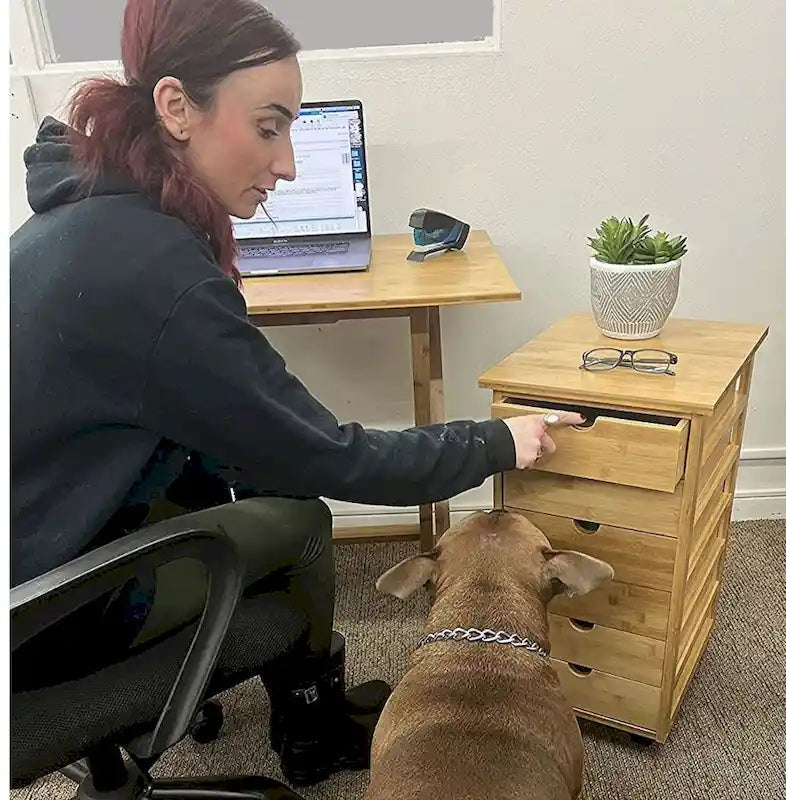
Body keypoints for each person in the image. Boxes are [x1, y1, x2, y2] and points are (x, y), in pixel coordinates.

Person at [10, 0, 583, 786]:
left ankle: (309, 713)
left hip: (37, 547)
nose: (286, 165)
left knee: (265, 482)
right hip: (47, 617)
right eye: (269, 127)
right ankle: (314, 732)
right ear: (177, 107)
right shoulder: (153, 274)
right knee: (303, 520)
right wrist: (496, 443)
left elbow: (251, 432)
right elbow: (333, 459)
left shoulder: (70, 222)